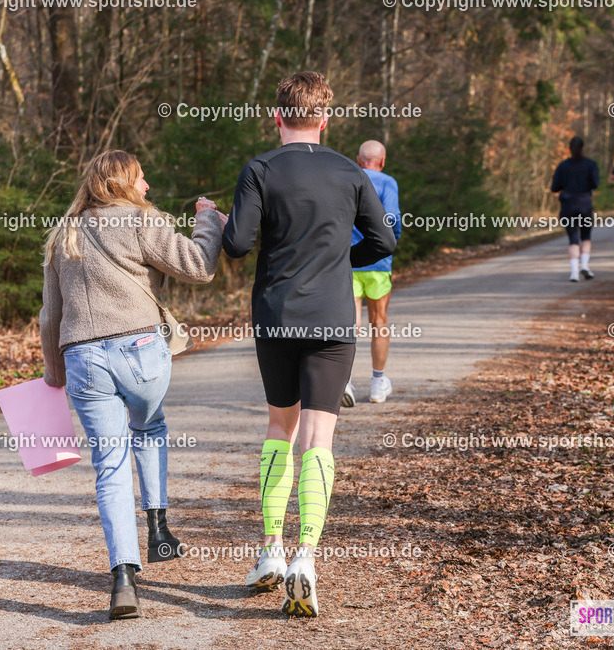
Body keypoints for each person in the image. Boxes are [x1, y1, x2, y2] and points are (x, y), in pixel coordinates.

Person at [222, 72, 395, 618]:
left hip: (276, 317)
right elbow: (385, 239)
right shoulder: (350, 170)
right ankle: (305, 559)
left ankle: (270, 550)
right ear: (325, 119)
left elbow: (236, 244)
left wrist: (215, 219)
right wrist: (343, 261)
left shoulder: (260, 170)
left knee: (279, 430)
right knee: (319, 439)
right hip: (332, 318)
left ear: (277, 118)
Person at [39, 150, 226, 620]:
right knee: (149, 425)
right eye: (142, 179)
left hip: (81, 358)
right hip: (140, 353)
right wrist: (208, 220)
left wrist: (52, 376)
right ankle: (159, 531)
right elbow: (200, 266)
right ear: (124, 183)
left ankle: (123, 578)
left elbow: (50, 316)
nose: (147, 187)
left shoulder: (66, 234)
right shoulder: (142, 220)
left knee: (109, 465)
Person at [342, 140, 401, 406]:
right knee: (379, 322)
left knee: (348, 325)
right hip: (378, 263)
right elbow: (392, 218)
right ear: (383, 160)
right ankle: (378, 384)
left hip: (349, 262)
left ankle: (345, 383)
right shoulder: (388, 182)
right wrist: (390, 244)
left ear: (358, 159)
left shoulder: (347, 179)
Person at [550, 136, 599, 281]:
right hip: (584, 204)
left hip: (568, 205)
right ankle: (584, 265)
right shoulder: (590, 165)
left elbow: (554, 187)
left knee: (573, 239)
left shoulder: (563, 166)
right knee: (586, 237)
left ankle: (574, 273)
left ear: (569, 149)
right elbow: (595, 184)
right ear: (583, 148)